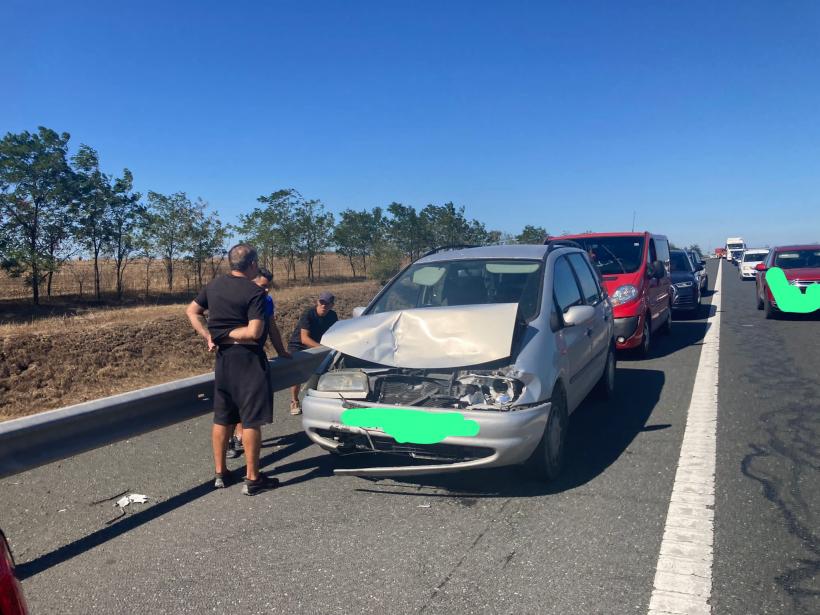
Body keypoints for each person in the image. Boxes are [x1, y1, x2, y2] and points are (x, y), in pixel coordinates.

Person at [185, 244, 279, 496]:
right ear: (252, 264)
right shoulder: (255, 292)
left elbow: (191, 311)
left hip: (223, 360)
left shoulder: (213, 286)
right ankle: (253, 478)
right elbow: (254, 333)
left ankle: (220, 473)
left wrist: (209, 335)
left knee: (223, 416)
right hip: (248, 361)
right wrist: (224, 333)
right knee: (250, 420)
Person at [226, 267, 291, 459]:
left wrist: (281, 351)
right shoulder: (238, 300)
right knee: (234, 404)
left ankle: (240, 437)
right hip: (235, 356)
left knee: (249, 404)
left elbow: (271, 327)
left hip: (255, 356)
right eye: (263, 286)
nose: (267, 290)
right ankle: (230, 441)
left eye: (268, 287)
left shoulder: (267, 301)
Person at [287, 291, 338, 414]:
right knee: (297, 374)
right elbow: (304, 339)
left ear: (332, 305)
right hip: (299, 346)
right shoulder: (308, 314)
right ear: (317, 302)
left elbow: (334, 334)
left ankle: (324, 400)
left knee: (330, 368)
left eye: (327, 303)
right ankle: (294, 401)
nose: (324, 305)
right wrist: (324, 348)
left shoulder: (333, 316)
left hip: (318, 345)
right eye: (322, 302)